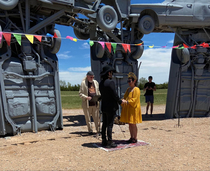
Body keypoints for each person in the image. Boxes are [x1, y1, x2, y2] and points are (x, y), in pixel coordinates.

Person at [99, 65, 122, 148]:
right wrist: (120, 101)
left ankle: (104, 140)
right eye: (111, 73)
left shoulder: (101, 83)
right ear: (109, 73)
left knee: (104, 124)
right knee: (110, 124)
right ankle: (110, 141)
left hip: (104, 106)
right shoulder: (110, 82)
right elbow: (114, 94)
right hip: (111, 107)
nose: (112, 74)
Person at [120, 72, 142, 143]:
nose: (129, 82)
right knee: (130, 123)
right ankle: (131, 137)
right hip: (128, 109)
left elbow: (135, 99)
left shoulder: (136, 89)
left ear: (134, 81)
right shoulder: (128, 89)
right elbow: (125, 97)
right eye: (128, 81)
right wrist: (123, 100)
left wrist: (127, 102)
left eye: (130, 81)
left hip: (133, 109)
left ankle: (135, 138)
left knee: (133, 123)